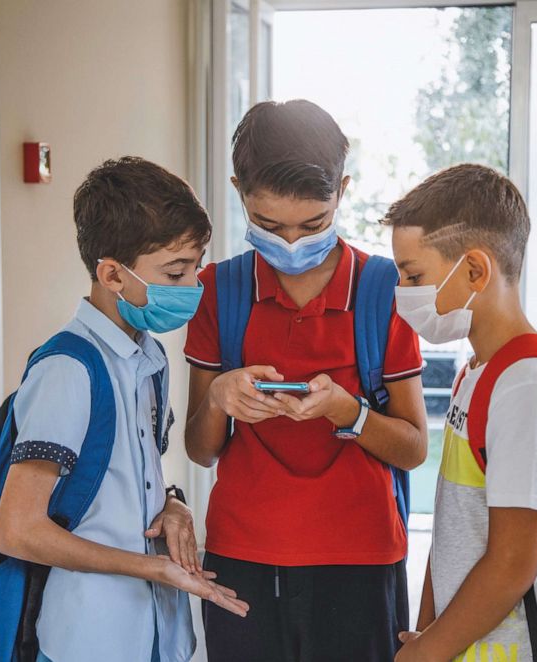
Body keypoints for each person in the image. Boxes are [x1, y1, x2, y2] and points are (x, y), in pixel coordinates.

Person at [184, 100, 429, 662]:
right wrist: (221, 396)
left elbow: (414, 448)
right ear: (237, 189)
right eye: (268, 225)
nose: (291, 242)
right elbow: (201, 450)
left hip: (361, 561)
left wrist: (350, 412)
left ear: (342, 190)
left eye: (313, 224)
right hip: (241, 559)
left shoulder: (381, 288)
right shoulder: (218, 291)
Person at [0, 157, 249, 662]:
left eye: (196, 267)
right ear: (112, 274)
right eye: (176, 272)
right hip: (90, 638)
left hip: (153, 633)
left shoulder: (146, 358)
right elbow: (18, 529)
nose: (193, 286)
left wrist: (172, 504)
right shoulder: (68, 368)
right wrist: (151, 567)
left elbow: (125, 482)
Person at [385, 164, 537, 662]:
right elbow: (453, 528)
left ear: (476, 271)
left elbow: (511, 564)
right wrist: (427, 634)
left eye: (414, 276)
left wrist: (427, 652)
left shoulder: (531, 386)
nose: (403, 293)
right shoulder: (478, 371)